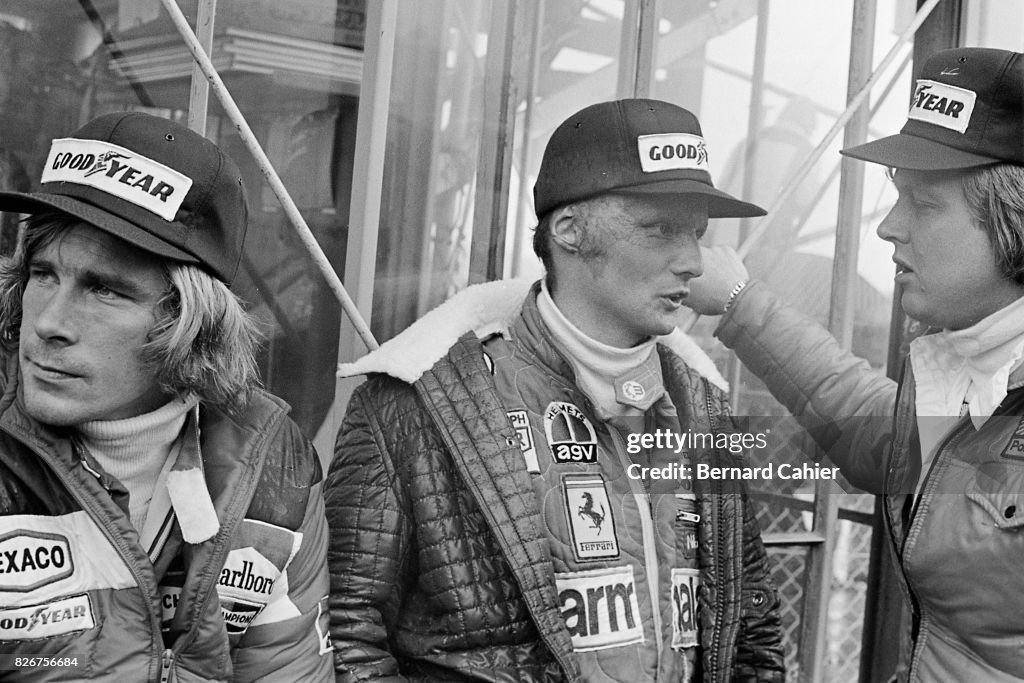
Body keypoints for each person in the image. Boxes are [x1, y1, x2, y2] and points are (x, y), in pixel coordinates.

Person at [326, 99, 785, 682]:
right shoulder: (413, 404)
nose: (693, 261)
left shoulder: (706, 411)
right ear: (568, 229)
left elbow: (752, 632)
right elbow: (348, 631)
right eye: (661, 229)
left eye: (697, 233)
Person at [685, 47, 1024, 682]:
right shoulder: (967, 362)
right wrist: (740, 304)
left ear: (1016, 218)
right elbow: (886, 441)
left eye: (924, 205)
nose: (887, 228)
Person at [0, 112, 332, 681]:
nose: (49, 322)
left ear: (189, 322)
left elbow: (285, 667)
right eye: (42, 273)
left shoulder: (271, 461)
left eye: (104, 289)